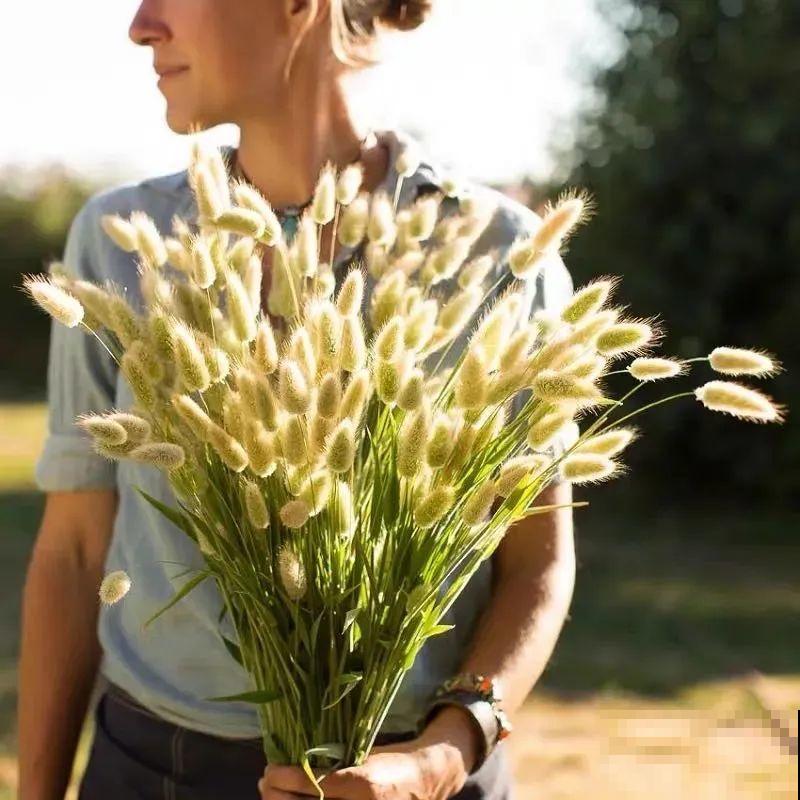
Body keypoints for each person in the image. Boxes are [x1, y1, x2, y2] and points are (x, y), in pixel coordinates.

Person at [18, 1, 577, 798]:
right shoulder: (120, 239)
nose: (139, 24)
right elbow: (73, 555)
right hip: (156, 772)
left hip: (420, 778)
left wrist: (442, 759)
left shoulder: (500, 255)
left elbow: (537, 559)